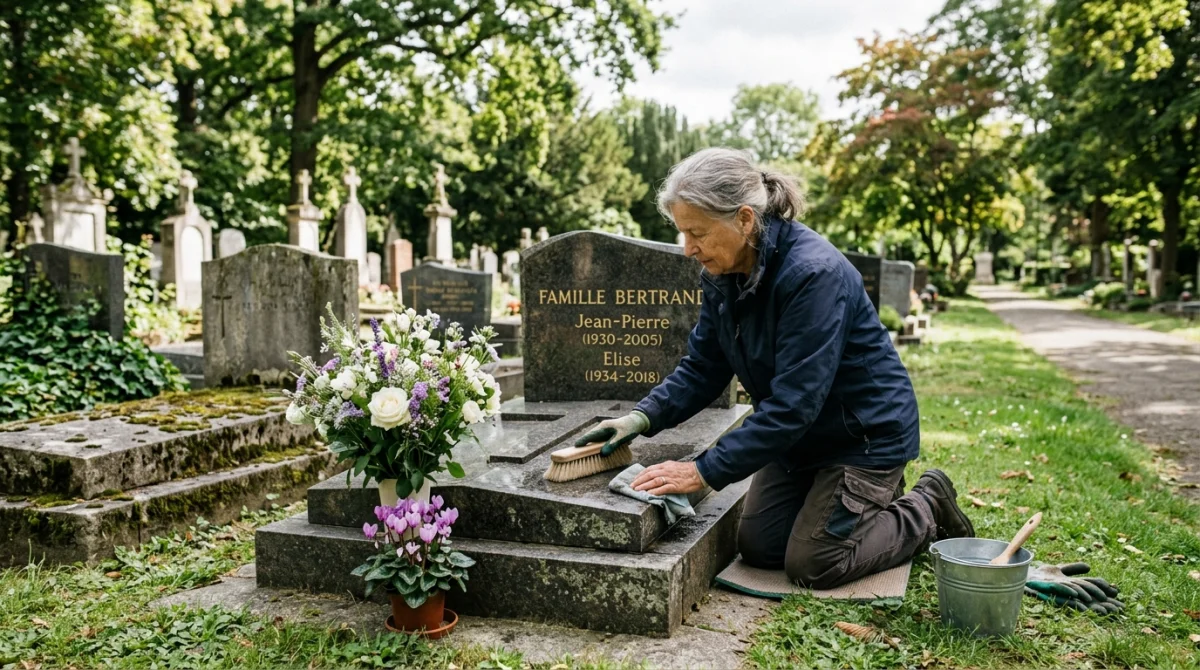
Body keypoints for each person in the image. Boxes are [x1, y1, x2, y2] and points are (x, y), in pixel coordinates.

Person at [575, 148, 974, 589]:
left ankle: (926, 505)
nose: (688, 249)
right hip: (801, 441)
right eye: (682, 233)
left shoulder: (812, 274)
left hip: (863, 437)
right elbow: (703, 366)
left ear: (744, 220)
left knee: (815, 562)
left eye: (697, 233)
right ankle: (856, 507)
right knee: (762, 548)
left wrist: (701, 471)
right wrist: (641, 417)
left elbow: (793, 404)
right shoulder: (722, 272)